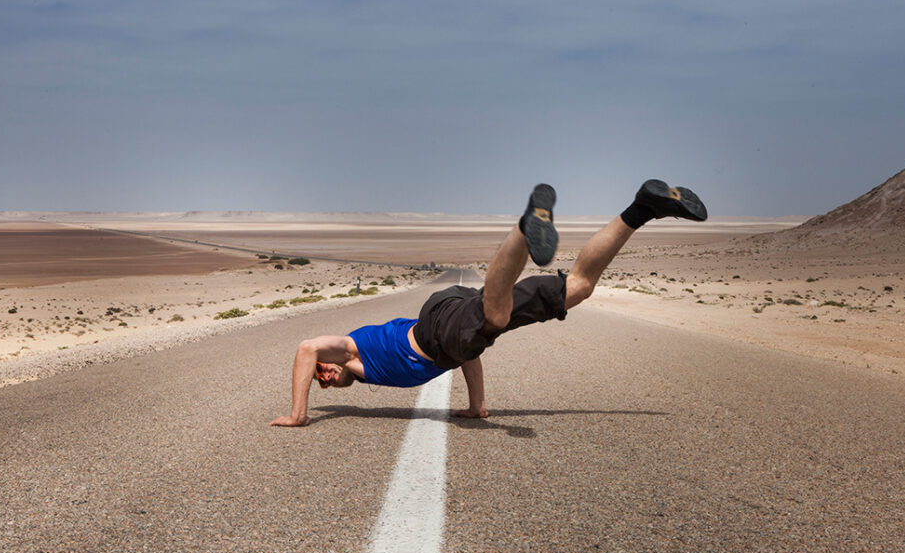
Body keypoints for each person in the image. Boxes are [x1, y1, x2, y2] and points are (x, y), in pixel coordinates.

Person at [270, 180, 707, 427]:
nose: (324, 377)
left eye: (322, 378)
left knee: (491, 318)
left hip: (434, 330)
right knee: (577, 288)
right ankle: (644, 208)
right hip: (451, 323)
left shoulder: (352, 350)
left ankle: (523, 229)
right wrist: (478, 406)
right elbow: (467, 356)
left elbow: (307, 348)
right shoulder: (368, 372)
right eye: (324, 383)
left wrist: (299, 414)